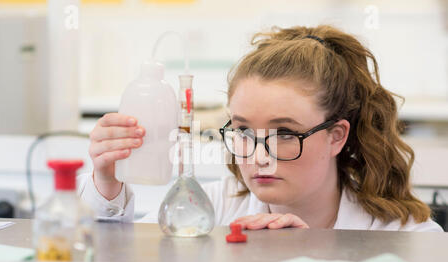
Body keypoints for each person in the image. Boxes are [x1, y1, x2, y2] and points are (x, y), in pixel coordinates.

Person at [78, 25, 443, 231]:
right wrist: (108, 182)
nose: (257, 156)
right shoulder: (214, 207)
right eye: (244, 132)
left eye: (284, 133)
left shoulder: (404, 234)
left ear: (337, 136)